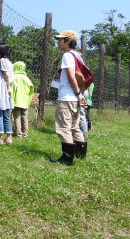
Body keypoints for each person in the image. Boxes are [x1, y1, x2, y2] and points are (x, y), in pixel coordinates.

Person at [50, 30, 87, 166]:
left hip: (67, 98)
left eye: (60, 40)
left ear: (68, 41)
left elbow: (72, 76)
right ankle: (80, 154)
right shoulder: (79, 56)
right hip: (75, 98)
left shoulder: (67, 55)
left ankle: (67, 159)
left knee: (63, 128)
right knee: (74, 127)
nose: (58, 42)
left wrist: (77, 94)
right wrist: (80, 95)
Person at [0, 44, 14, 145]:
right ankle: (9, 137)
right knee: (6, 114)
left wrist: (8, 88)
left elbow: (6, 75)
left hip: (1, 90)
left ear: (0, 52)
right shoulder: (9, 62)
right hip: (6, 90)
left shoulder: (2, 61)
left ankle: (0, 138)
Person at [11, 61, 35, 138]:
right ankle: (25, 134)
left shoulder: (14, 77)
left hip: (16, 101)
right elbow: (32, 89)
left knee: (17, 118)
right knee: (25, 118)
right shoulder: (26, 78)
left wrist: (11, 99)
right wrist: (29, 99)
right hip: (25, 101)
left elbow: (12, 89)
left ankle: (19, 134)